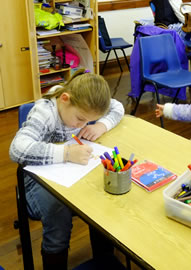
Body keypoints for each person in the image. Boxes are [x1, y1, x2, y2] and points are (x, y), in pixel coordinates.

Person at [9, 69, 125, 270]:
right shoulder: (46, 112)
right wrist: (66, 153)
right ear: (64, 99)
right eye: (80, 119)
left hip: (71, 174)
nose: (83, 124)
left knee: (101, 196)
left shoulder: (84, 104)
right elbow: (17, 149)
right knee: (58, 210)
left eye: (88, 121)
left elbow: (118, 107)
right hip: (37, 181)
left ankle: (104, 260)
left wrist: (101, 126)